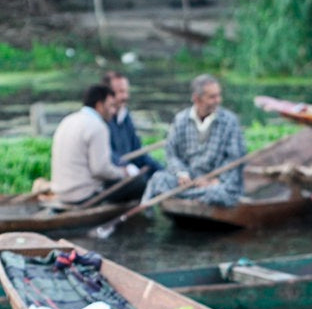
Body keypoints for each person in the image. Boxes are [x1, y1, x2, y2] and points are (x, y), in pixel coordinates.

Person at [142, 74, 247, 207]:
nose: (218, 100)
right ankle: (193, 196)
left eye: (219, 95)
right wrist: (181, 173)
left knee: (220, 192)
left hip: (216, 182)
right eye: (212, 97)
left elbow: (235, 158)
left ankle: (195, 197)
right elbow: (171, 152)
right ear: (196, 99)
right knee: (159, 179)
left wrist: (217, 180)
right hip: (189, 181)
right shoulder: (181, 120)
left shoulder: (229, 121)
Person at [48, 84, 139, 205]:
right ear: (99, 105)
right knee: (139, 183)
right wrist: (123, 173)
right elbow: (100, 170)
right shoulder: (98, 126)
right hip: (83, 195)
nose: (113, 111)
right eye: (111, 106)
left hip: (61, 192)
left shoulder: (68, 120)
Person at [102, 71, 163, 185]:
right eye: (120, 92)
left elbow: (138, 152)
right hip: (112, 177)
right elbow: (105, 156)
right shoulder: (101, 121)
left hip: (129, 174)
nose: (125, 96)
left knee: (160, 175)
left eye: (126, 91)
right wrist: (127, 168)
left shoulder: (125, 116)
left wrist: (161, 170)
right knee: (143, 183)